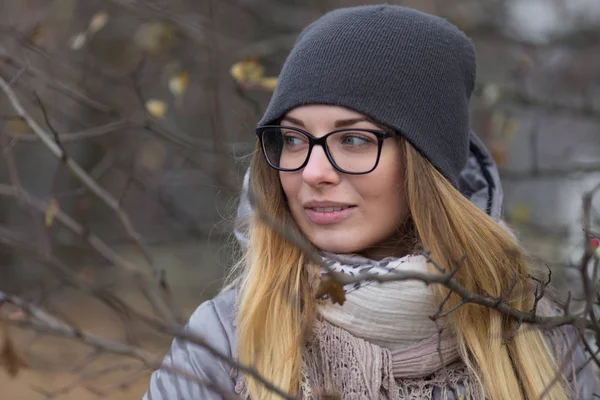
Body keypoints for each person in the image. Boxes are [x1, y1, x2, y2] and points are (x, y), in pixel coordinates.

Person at [144, 5, 598, 400]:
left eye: (354, 139)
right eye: (294, 138)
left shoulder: (534, 336)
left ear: (426, 165)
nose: (312, 172)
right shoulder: (229, 338)